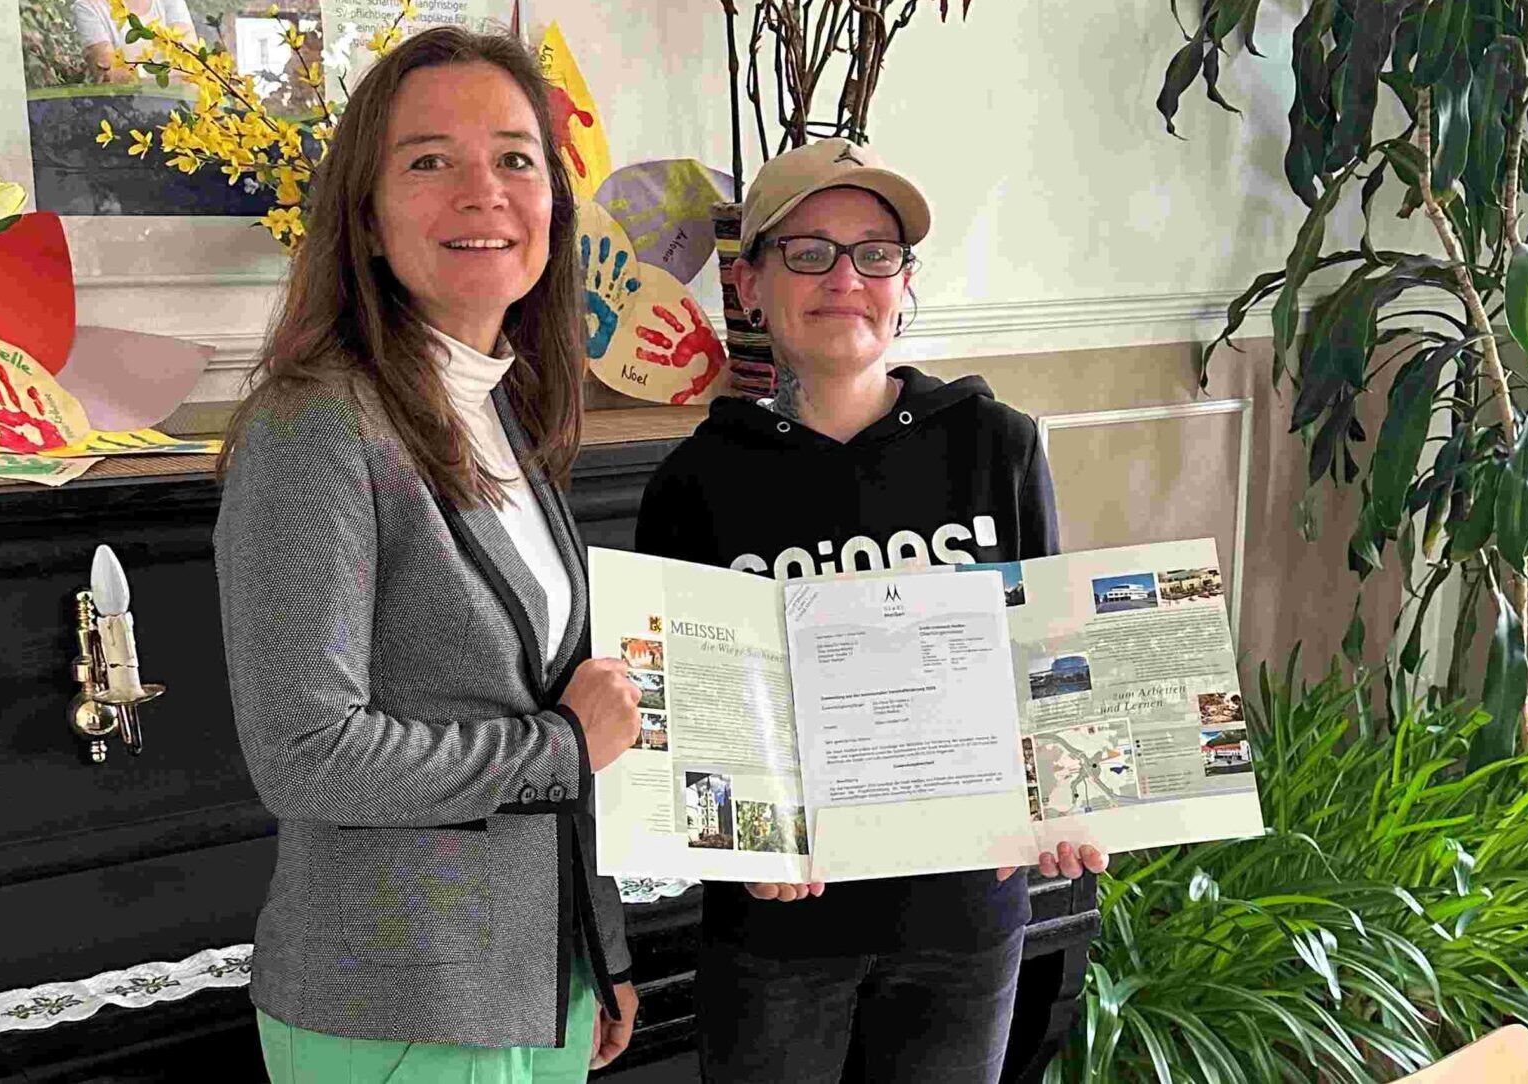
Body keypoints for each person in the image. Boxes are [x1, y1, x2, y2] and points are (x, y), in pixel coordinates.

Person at [214, 27, 640, 1083]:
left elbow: (554, 706)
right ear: (365, 217)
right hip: (399, 1005)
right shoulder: (315, 424)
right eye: (429, 161)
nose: (482, 191)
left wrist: (598, 953)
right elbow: (306, 752)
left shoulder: (506, 412)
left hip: (534, 985)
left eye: (515, 158)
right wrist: (561, 748)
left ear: (553, 205)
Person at [634, 138, 1109, 1084]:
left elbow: (1048, 658)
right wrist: (728, 848)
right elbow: (673, 715)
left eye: (875, 254)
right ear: (751, 285)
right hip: (776, 930)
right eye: (808, 252)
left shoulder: (998, 447)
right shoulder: (695, 481)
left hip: (965, 920)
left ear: (904, 283)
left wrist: (1066, 794)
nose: (845, 278)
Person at [70, 0, 199, 84]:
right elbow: (110, 76)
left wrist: (131, 66)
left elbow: (191, 61)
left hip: (178, 105)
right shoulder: (87, 7)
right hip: (123, 110)